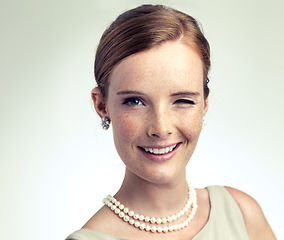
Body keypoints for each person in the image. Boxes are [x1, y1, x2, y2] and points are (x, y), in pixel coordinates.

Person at [66, 4, 276, 240]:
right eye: (135, 101)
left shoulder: (241, 214)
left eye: (183, 100)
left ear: (204, 103)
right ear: (101, 106)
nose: (161, 128)